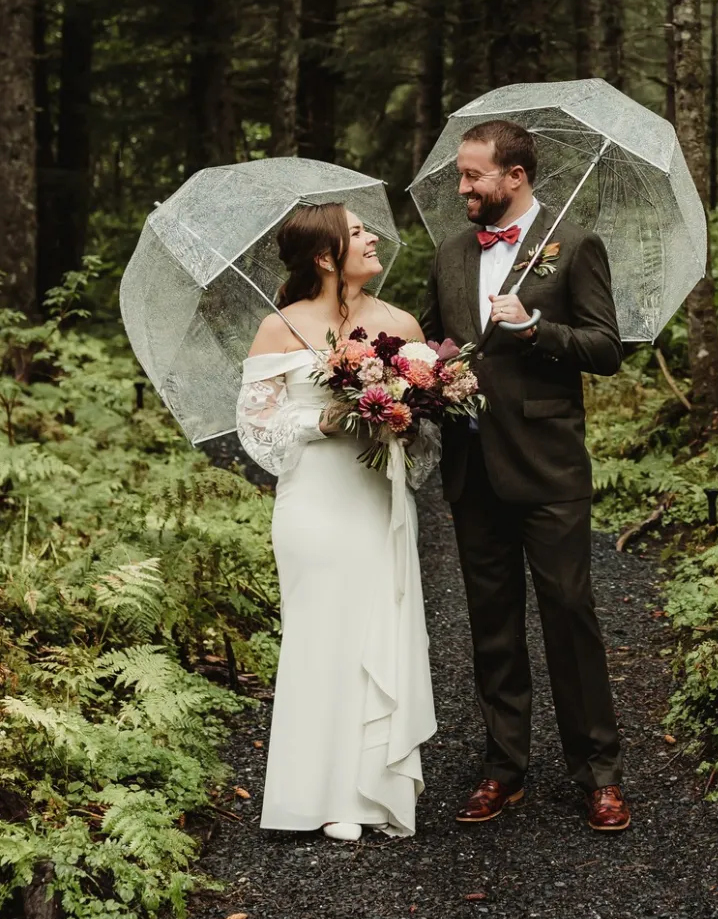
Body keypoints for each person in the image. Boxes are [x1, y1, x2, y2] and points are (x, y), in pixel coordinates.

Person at [420, 119, 631, 831]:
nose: (463, 188)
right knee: (492, 625)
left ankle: (598, 773)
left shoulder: (574, 248)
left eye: (473, 175)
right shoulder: (450, 254)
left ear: (515, 176)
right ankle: (502, 768)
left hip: (548, 466)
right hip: (471, 464)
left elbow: (607, 348)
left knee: (569, 615)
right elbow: (432, 342)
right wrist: (419, 376)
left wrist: (536, 331)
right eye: (460, 175)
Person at [237, 203, 437, 841]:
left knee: (377, 631)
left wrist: (403, 412)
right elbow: (257, 430)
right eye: (357, 232)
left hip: (377, 497)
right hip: (315, 503)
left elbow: (429, 429)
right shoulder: (279, 330)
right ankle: (317, 795)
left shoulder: (400, 323)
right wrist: (318, 420)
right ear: (325, 257)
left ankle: (372, 792)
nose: (373, 237)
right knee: (322, 638)